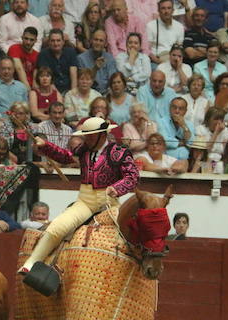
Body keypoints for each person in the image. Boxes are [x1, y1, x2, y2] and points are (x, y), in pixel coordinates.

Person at [19, 116, 139, 277]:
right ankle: (31, 262)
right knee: (58, 227)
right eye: (86, 136)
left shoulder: (120, 151)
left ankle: (135, 270)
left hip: (109, 203)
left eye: (90, 136)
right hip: (85, 201)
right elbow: (66, 156)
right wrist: (46, 146)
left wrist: (117, 188)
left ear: (101, 135)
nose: (86, 139)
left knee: (127, 234)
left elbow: (132, 176)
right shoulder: (84, 149)